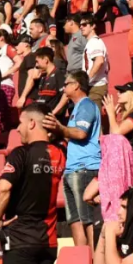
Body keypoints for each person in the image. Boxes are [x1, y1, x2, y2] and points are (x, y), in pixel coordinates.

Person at [0, 103, 65, 264]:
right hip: (48, 241)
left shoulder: (20, 154)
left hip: (21, 240)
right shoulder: (59, 153)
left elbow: (3, 188)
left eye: (21, 124)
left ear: (32, 123)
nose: (18, 130)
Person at [44, 70, 101, 248]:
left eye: (67, 83)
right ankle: (82, 263)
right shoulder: (77, 108)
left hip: (85, 167)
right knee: (74, 221)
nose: (63, 87)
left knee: (87, 219)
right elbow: (70, 134)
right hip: (72, 169)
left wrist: (60, 129)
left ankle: (94, 262)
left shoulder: (86, 105)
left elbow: (81, 133)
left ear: (77, 85)